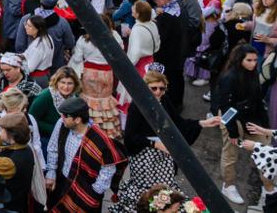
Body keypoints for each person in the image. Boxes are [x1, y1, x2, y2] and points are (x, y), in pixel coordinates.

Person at [111, 71, 219, 213]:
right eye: (154, 88)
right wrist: (155, 144)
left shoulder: (164, 100)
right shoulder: (137, 106)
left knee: (165, 187)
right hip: (144, 155)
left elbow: (178, 123)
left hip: (164, 154)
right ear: (145, 87)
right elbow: (131, 138)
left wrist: (203, 123)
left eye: (162, 88)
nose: (158, 92)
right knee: (147, 190)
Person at [44, 97, 125, 212]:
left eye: (65, 116)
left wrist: (94, 194)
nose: (62, 118)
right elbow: (53, 148)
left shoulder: (99, 139)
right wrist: (51, 173)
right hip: (63, 182)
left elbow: (108, 169)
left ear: (77, 120)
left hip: (86, 191)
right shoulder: (62, 124)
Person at [214, 43, 270, 204]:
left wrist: (264, 125)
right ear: (240, 60)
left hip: (250, 117)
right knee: (230, 153)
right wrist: (232, 131)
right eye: (249, 60)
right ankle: (228, 185)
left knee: (265, 149)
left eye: (255, 60)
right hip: (231, 118)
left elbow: (258, 100)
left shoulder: (253, 74)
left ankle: (268, 187)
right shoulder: (228, 77)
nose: (253, 63)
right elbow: (225, 106)